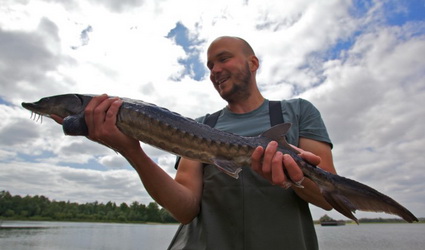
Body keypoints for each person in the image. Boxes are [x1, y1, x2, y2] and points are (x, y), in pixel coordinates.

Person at [55, 36, 336, 249]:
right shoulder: (202, 126)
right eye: (210, 65)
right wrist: (130, 150)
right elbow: (186, 208)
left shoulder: (298, 112)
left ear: (253, 63)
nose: (215, 69)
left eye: (223, 59)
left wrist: (295, 178)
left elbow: (328, 198)